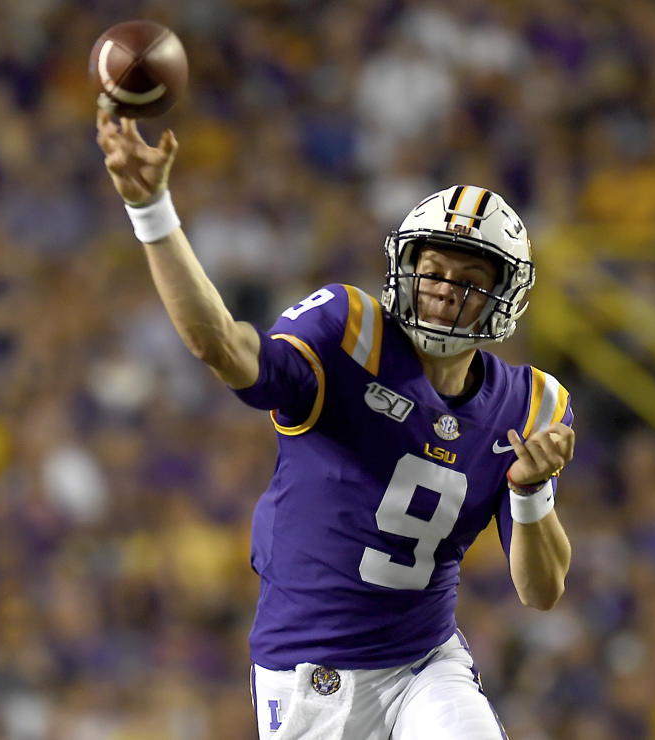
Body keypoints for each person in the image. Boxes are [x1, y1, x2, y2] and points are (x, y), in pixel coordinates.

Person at [96, 109, 575, 740]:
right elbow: (226, 348)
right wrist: (152, 211)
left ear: (502, 297)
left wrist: (529, 492)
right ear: (407, 267)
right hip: (312, 673)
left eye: (470, 281)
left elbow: (540, 593)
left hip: (426, 662)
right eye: (433, 269)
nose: (443, 290)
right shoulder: (351, 333)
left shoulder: (532, 404)